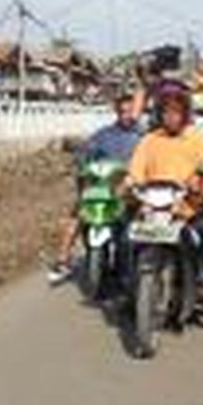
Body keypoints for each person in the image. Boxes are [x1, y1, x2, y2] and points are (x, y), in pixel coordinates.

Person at [125, 80, 203, 323]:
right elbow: (136, 169)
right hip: (152, 208)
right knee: (126, 237)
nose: (171, 117)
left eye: (176, 112)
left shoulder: (197, 137)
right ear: (158, 113)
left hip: (189, 207)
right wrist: (130, 184)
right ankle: (130, 288)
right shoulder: (149, 140)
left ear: (185, 113)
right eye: (166, 111)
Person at [47, 89, 145, 284]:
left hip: (132, 191)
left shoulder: (143, 136)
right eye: (122, 112)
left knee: (136, 226)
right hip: (104, 187)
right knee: (78, 214)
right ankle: (62, 260)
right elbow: (86, 153)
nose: (126, 116)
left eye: (129, 112)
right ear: (117, 112)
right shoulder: (104, 135)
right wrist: (80, 162)